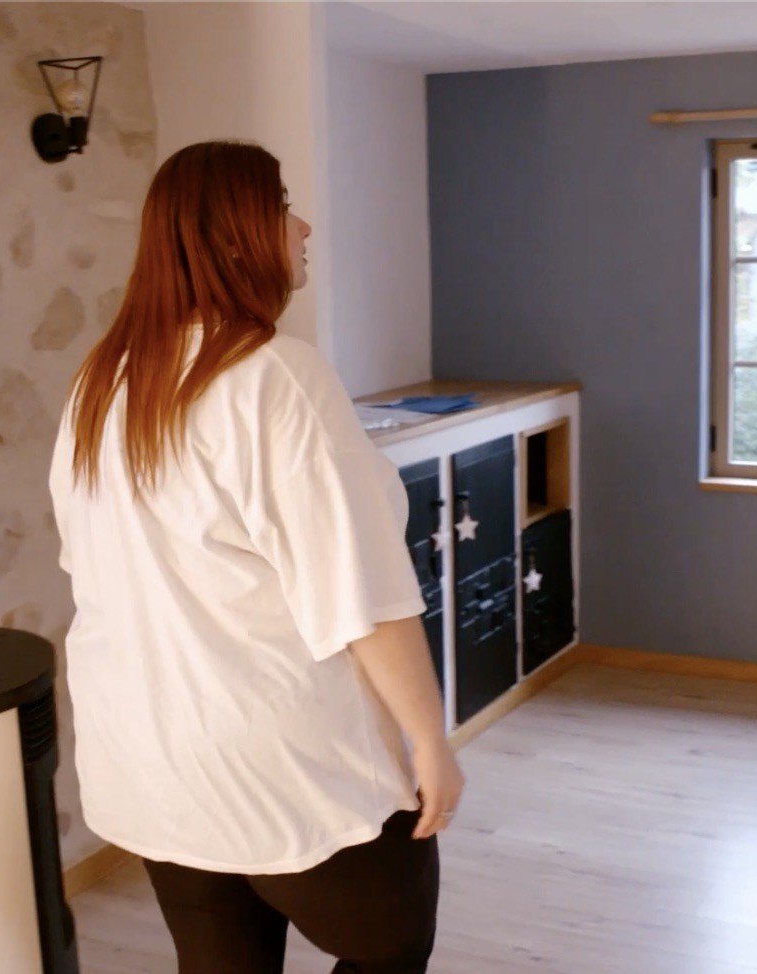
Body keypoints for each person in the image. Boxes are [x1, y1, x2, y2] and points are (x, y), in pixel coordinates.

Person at [47, 140, 462, 974]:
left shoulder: (104, 379)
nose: (303, 225)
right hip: (284, 757)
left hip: (153, 756)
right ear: (236, 234)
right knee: (391, 949)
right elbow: (362, 594)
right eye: (281, 206)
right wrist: (430, 742)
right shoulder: (277, 376)